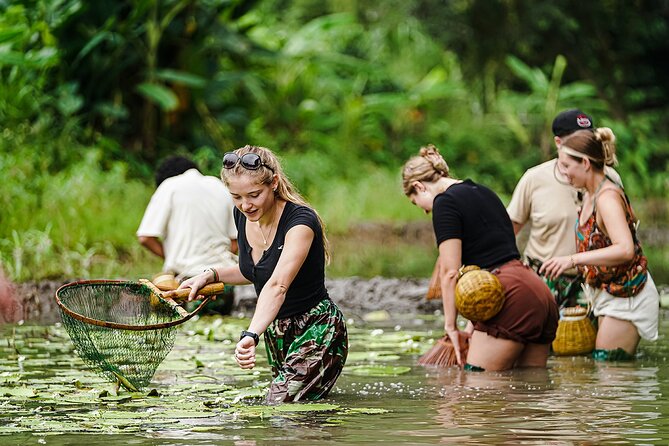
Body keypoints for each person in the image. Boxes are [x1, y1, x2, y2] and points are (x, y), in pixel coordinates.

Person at [179, 145, 348, 403]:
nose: (245, 205)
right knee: (296, 416)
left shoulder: (300, 222)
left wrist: (250, 333)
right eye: (236, 197)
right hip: (276, 331)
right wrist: (211, 274)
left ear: (274, 184)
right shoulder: (243, 216)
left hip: (316, 328)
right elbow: (253, 271)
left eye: (254, 195)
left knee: (280, 404)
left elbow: (277, 284)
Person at [402, 144, 558, 371]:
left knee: (476, 388)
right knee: (530, 388)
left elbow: (450, 272)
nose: (426, 211)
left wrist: (451, 327)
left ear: (419, 186)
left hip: (509, 296)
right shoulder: (483, 191)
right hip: (538, 293)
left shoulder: (444, 202)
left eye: (417, 203)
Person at [539, 128, 659, 360]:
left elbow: (625, 249)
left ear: (585, 163)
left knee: (610, 374)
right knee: (606, 377)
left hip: (628, 295)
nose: (563, 173)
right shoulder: (588, 195)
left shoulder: (607, 198)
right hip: (609, 293)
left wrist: (572, 260)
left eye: (566, 166)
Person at [507, 109, 622, 308]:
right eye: (578, 140)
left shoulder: (608, 179)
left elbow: (623, 239)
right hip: (544, 282)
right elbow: (509, 231)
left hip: (593, 283)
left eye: (589, 139)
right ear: (559, 143)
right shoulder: (534, 179)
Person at [137, 155, 238, 314]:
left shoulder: (170, 185)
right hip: (222, 284)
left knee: (186, 334)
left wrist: (173, 258)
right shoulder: (220, 186)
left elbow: (145, 237)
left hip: (188, 286)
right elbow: (235, 241)